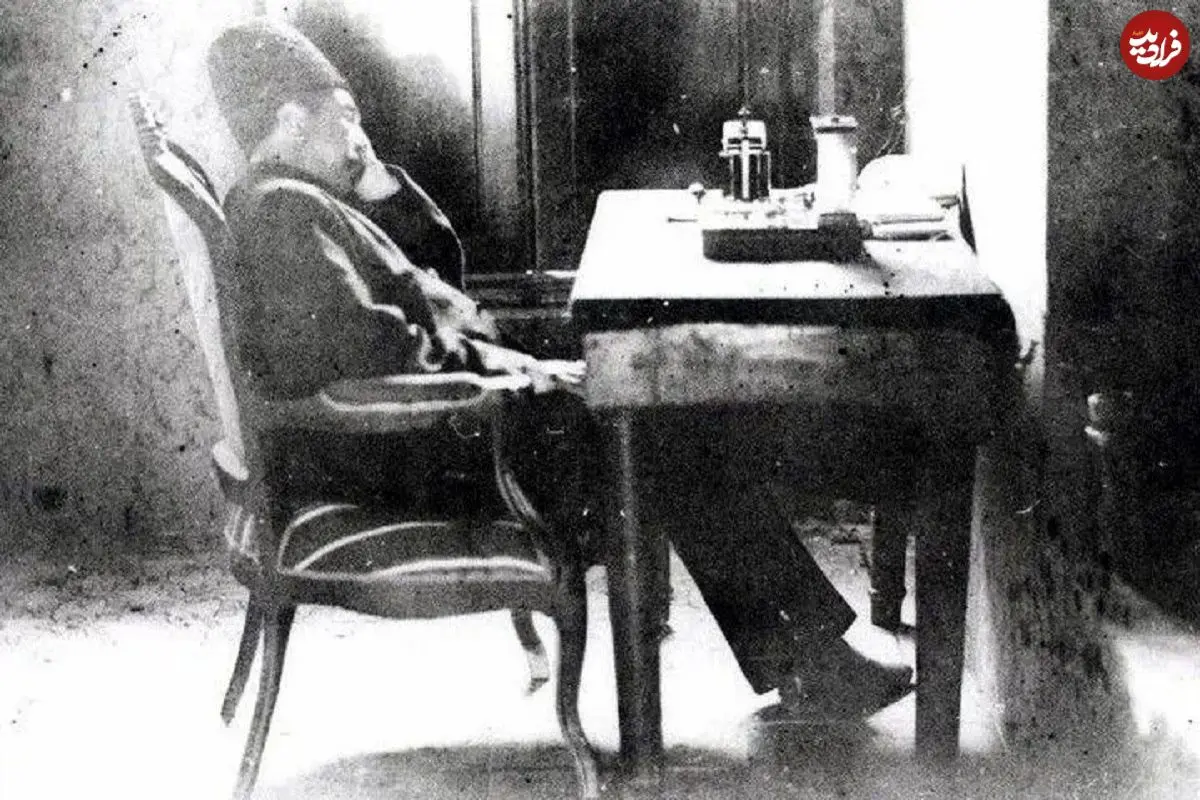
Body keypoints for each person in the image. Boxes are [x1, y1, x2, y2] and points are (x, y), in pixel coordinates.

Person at [206, 18, 911, 716]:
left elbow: (435, 281)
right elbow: (377, 356)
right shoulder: (282, 214)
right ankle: (809, 664)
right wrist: (526, 377)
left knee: (663, 422)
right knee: (662, 430)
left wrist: (383, 184)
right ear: (292, 118)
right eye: (346, 118)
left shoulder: (298, 201)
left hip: (420, 432)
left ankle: (807, 662)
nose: (359, 136)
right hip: (408, 447)